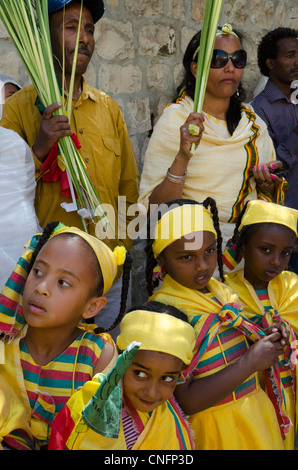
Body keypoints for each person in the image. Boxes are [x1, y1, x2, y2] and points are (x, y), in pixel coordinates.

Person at [0, 0, 140, 332]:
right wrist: (40, 147)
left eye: (89, 29)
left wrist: (118, 253)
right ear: (43, 37)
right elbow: (5, 195)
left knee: (100, 368)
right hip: (43, 279)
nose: (85, 38)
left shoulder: (108, 109)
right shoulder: (19, 108)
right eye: (71, 26)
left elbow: (127, 189)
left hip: (105, 274)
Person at [146, 199, 288, 450]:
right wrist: (251, 362)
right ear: (162, 259)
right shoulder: (166, 314)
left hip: (255, 415)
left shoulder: (222, 294)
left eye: (210, 251)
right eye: (187, 256)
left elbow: (229, 348)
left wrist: (263, 337)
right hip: (214, 431)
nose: (203, 266)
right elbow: (186, 400)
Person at [138, 24, 287, 263]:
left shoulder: (253, 125)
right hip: (190, 252)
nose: (230, 68)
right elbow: (155, 209)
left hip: (242, 255)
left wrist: (267, 187)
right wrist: (183, 156)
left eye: (238, 59)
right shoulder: (176, 119)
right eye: (219, 59)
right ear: (196, 69)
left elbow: (266, 198)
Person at [0, 221, 132, 449]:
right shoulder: (5, 341)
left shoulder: (98, 355)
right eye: (38, 271)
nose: (41, 287)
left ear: (92, 307)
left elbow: (99, 438)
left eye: (63, 282)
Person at [48, 301, 195, 450]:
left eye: (167, 378)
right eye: (140, 374)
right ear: (121, 359)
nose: (151, 392)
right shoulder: (93, 410)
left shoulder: (169, 419)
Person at [225, 199, 298, 449]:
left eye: (285, 253)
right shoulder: (225, 294)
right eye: (265, 250)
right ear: (243, 246)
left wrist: (287, 331)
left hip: (292, 393)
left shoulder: (292, 286)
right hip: (250, 396)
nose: (276, 261)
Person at [250, 27, 298, 273]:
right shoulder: (257, 111)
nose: (297, 61)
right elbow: (268, 170)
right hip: (286, 226)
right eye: (290, 55)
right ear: (270, 62)